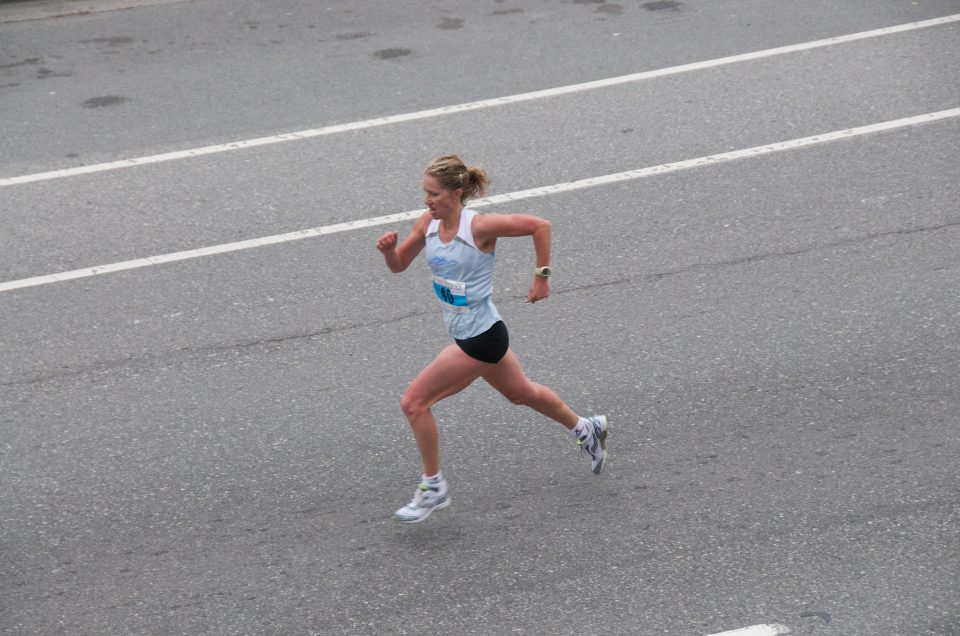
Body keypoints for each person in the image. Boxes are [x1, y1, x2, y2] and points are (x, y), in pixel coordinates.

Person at [375, 154, 608, 524]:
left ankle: (433, 486)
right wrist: (390, 252)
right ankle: (586, 427)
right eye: (424, 193)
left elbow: (540, 225)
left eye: (434, 194)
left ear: (455, 193)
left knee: (414, 403)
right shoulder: (429, 223)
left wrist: (541, 277)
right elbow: (400, 265)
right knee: (522, 393)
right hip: (476, 330)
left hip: (480, 340)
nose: (427, 201)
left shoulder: (479, 227)